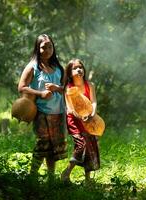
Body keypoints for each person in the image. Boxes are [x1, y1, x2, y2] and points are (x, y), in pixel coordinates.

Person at [18, 34, 67, 180]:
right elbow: (21, 87)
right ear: (37, 48)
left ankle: (51, 178)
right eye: (43, 47)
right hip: (41, 112)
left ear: (53, 48)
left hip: (58, 112)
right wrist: (40, 93)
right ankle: (32, 176)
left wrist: (56, 88)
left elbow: (66, 88)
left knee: (54, 147)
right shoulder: (33, 67)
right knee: (43, 143)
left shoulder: (58, 67)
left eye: (50, 46)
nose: (47, 50)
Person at [61, 58, 100, 183]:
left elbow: (93, 101)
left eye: (81, 67)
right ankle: (67, 172)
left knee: (90, 147)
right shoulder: (69, 87)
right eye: (74, 68)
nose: (79, 69)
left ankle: (88, 180)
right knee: (81, 144)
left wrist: (92, 114)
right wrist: (81, 117)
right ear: (69, 72)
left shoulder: (90, 85)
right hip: (74, 120)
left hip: (89, 119)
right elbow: (70, 108)